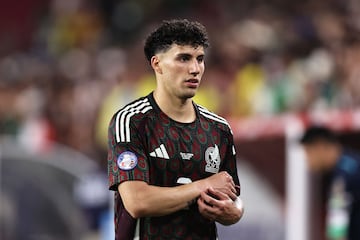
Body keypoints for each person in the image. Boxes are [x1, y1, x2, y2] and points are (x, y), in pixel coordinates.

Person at [107, 19, 244, 239]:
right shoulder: (131, 121)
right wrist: (203, 186)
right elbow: (137, 202)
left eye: (200, 59)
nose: (195, 69)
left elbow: (233, 198)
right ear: (157, 64)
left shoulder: (219, 129)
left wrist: (234, 212)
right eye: (183, 58)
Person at [300, 126, 360, 240]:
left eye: (308, 152)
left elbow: (337, 232)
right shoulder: (353, 163)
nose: (307, 160)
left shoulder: (342, 178)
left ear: (320, 146)